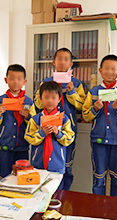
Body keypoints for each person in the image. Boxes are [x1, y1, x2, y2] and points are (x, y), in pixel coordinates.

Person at [82, 54, 117, 197]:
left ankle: (115, 209)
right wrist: (95, 109)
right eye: (106, 68)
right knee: (98, 177)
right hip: (98, 140)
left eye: (113, 69)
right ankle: (98, 207)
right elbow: (85, 116)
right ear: (100, 71)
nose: (110, 72)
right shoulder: (93, 92)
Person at [34, 48, 85, 190]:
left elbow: (81, 106)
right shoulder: (46, 82)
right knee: (46, 162)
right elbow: (37, 104)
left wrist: (72, 92)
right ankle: (44, 195)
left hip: (67, 129)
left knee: (66, 164)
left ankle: (64, 195)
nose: (63, 62)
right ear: (53, 62)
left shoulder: (76, 83)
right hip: (46, 128)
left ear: (71, 64)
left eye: (66, 59)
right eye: (60, 59)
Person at [0, 64, 36, 179]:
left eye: (19, 79)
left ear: (24, 81)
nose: (15, 81)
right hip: (4, 146)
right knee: (4, 177)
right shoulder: (0, 100)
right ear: (6, 80)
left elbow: (34, 125)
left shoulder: (29, 102)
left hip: (23, 146)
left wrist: (28, 117)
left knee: (21, 177)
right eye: (12, 78)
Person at [25, 81, 75, 174]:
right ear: (40, 98)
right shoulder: (35, 119)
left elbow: (70, 138)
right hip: (38, 164)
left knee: (58, 188)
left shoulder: (64, 119)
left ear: (59, 99)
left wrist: (58, 133)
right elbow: (29, 137)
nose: (50, 101)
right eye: (46, 97)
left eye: (53, 97)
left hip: (57, 164)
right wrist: (41, 133)